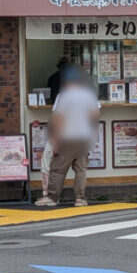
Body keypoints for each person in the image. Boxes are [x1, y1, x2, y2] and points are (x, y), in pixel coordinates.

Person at [37, 67, 100, 207]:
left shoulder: (63, 96)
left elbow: (57, 118)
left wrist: (55, 139)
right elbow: (95, 115)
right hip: (84, 137)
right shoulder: (89, 95)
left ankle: (53, 198)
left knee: (58, 170)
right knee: (81, 170)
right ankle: (80, 199)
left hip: (67, 137)